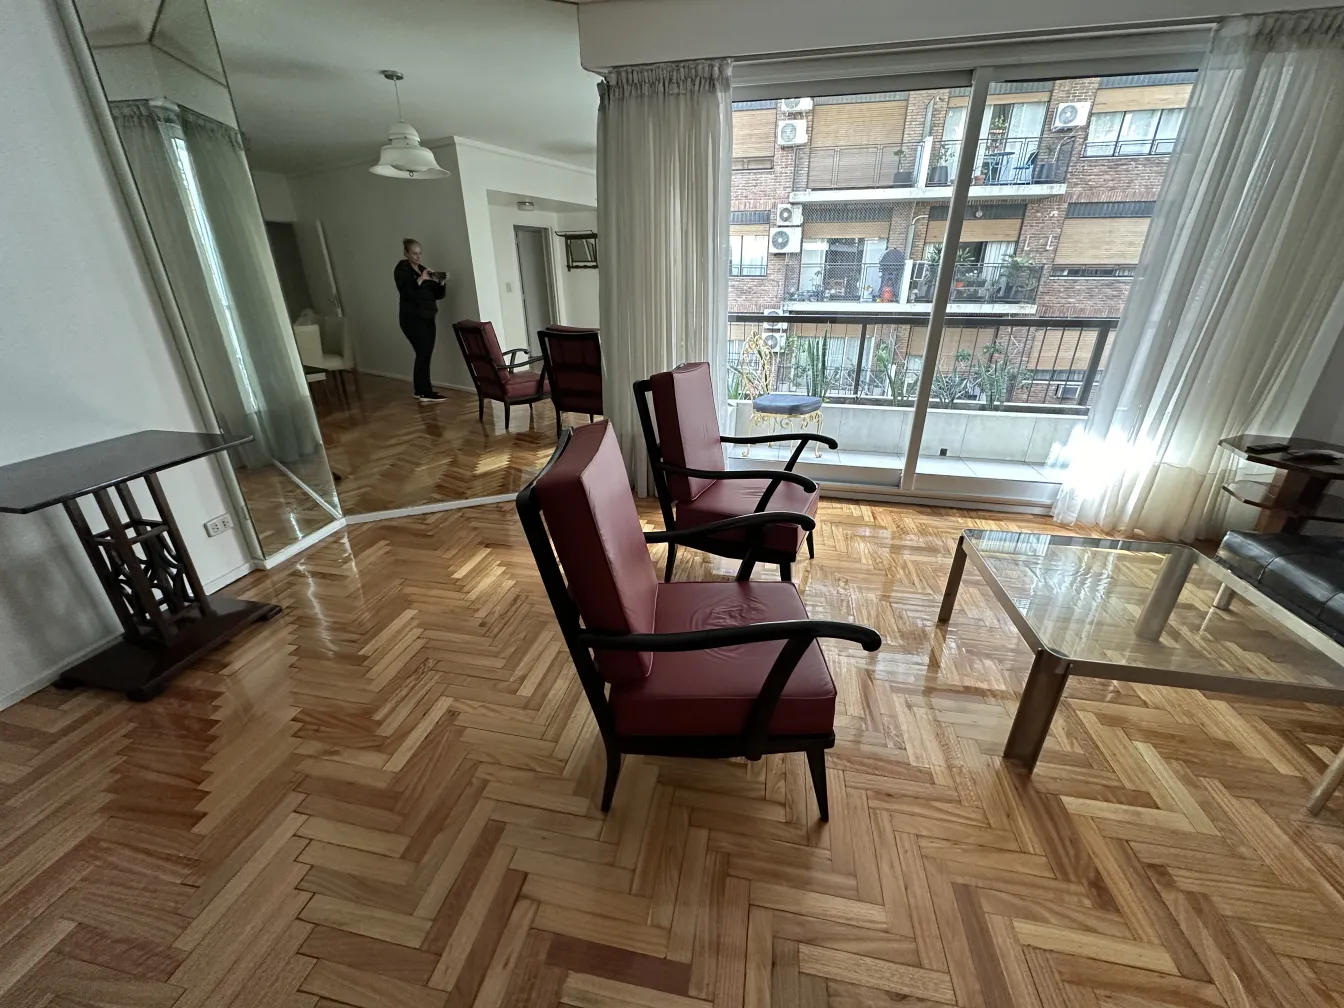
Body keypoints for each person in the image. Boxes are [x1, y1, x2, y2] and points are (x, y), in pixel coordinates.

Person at [395, 238, 448, 403]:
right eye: (414, 253)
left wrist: (441, 283)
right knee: (423, 353)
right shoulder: (402, 269)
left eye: (420, 253)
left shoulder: (424, 269)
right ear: (406, 253)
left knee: (425, 353)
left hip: (428, 316)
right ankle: (425, 391)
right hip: (412, 318)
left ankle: (421, 390)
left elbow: (437, 295)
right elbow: (407, 293)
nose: (418, 257)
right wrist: (422, 279)